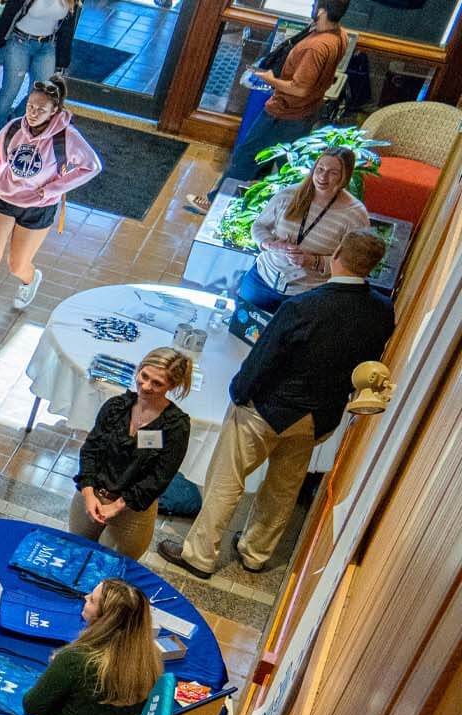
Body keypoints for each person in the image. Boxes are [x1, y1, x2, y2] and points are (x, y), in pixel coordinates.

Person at [161, 233, 393, 578]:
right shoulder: (381, 310)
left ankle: (200, 554)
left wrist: (240, 393)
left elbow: (264, 358)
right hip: (317, 415)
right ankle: (256, 553)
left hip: (267, 409)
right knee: (284, 487)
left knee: (227, 479)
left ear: (337, 254)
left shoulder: (303, 306)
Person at [0, 76, 101, 339]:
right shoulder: (13, 129)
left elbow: (91, 166)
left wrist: (54, 188)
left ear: (55, 110)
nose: (33, 114)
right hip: (4, 198)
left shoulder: (66, 137)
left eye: (41, 109)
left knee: (16, 264)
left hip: (38, 207)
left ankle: (30, 279)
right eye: (30, 107)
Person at [187, 0, 348, 212]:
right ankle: (282, 209)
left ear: (321, 10)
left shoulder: (316, 47)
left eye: (315, 4)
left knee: (246, 157)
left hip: (284, 114)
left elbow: (300, 89)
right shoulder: (340, 36)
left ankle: (216, 202)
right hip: (305, 112)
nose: (311, 6)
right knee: (286, 164)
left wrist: (270, 79)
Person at [17, 578, 161, 715]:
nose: (85, 597)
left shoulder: (77, 660)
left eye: (92, 600)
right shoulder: (149, 664)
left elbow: (31, 705)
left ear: (105, 618)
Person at [72, 348, 193, 558]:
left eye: (157, 383)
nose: (146, 387)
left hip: (132, 511)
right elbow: (90, 450)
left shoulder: (174, 426)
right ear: (138, 369)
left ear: (171, 386)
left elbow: (159, 478)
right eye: (144, 376)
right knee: (74, 555)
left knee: (112, 569)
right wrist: (89, 493)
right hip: (93, 495)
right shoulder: (116, 407)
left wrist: (118, 506)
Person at [235, 148, 371, 312]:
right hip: (262, 280)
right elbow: (259, 226)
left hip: (306, 297)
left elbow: (353, 263)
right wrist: (270, 244)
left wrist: (314, 261)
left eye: (333, 173)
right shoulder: (288, 195)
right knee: (242, 329)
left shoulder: (355, 215)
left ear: (344, 177)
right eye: (320, 169)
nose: (323, 177)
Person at [0, 0, 81, 138]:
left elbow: (67, 30)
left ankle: (15, 121)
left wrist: (62, 61)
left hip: (47, 46)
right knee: (10, 90)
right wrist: (1, 38)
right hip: (19, 42)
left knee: (41, 92)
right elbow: (9, 12)